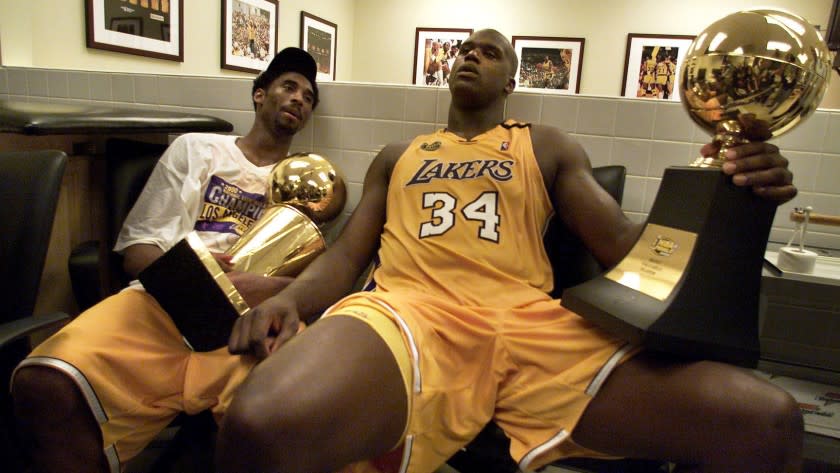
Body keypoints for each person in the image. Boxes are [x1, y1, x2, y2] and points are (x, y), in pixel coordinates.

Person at [215, 28, 803, 473]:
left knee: (765, 422)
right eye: (465, 49)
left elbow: (630, 251)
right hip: (409, 312)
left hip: (531, 324)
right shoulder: (399, 155)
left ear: (511, 84)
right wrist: (291, 298)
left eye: (490, 52)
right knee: (262, 422)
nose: (471, 55)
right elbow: (346, 258)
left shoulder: (544, 146)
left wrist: (731, 196)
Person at [11, 47, 320, 473]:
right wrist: (202, 283)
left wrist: (268, 290)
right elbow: (140, 250)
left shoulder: (309, 184)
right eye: (289, 86)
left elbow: (317, 282)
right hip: (161, 304)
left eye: (308, 96)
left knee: (276, 418)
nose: (299, 98)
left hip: (247, 322)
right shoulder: (197, 149)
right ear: (259, 94)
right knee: (43, 382)